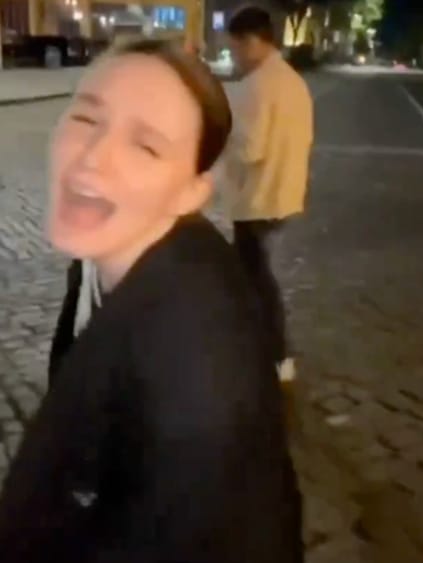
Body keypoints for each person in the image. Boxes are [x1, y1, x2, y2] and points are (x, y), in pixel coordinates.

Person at [0, 39, 303, 562]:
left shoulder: (194, 363)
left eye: (147, 146)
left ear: (191, 192)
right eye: (85, 119)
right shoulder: (113, 248)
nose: (92, 159)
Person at [223, 6, 314, 384]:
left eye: (236, 48)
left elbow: (249, 148)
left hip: (257, 199)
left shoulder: (257, 85)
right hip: (283, 193)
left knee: (256, 280)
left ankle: (277, 355)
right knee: (248, 276)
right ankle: (255, 346)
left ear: (253, 41)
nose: (236, 56)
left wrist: (222, 135)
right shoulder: (291, 79)